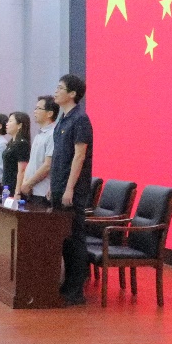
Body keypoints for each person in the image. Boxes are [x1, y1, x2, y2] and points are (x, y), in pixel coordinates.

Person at [51, 74, 94, 306]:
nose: (56, 92)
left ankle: (76, 290)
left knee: (75, 239)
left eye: (60, 88)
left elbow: (79, 156)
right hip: (59, 187)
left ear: (72, 94)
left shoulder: (80, 119)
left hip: (73, 190)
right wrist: (54, 187)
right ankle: (66, 284)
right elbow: (59, 157)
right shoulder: (62, 119)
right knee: (64, 239)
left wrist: (69, 188)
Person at [19, 96, 59, 207]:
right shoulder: (39, 134)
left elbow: (48, 165)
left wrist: (29, 184)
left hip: (42, 193)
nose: (35, 111)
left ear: (49, 113)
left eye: (38, 108)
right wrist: (25, 183)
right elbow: (32, 163)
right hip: (31, 191)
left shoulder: (53, 134)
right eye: (35, 108)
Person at [2, 112, 32, 196]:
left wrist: (17, 192)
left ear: (19, 125)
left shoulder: (22, 143)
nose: (7, 124)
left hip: (14, 187)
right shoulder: (11, 143)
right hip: (6, 186)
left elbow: (22, 170)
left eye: (10, 121)